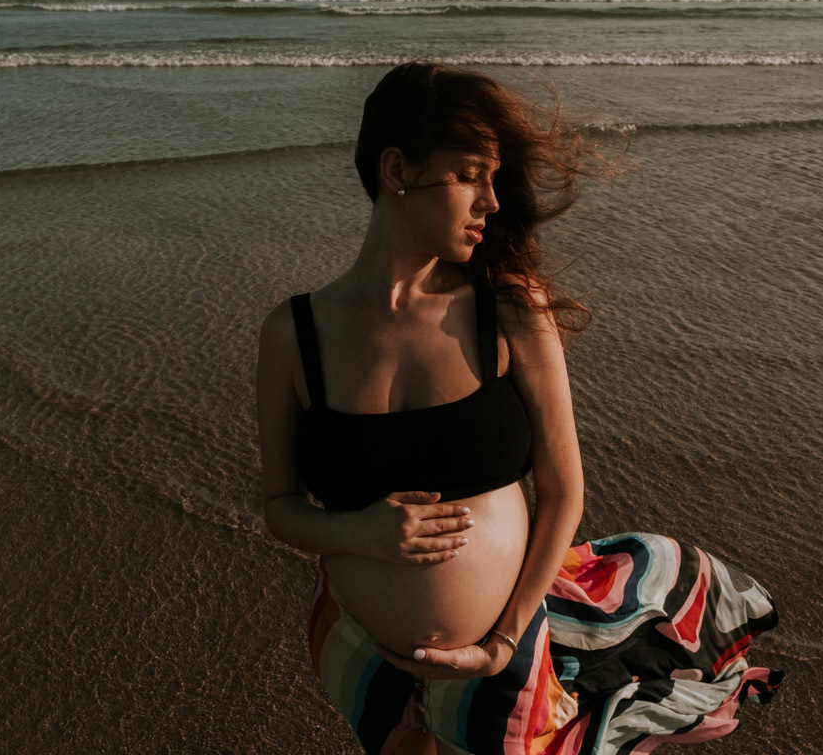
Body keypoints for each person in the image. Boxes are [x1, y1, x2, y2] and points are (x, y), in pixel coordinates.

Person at [256, 62, 781, 755]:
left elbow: (563, 492)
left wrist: (500, 643)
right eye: (470, 174)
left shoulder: (508, 309)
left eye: (494, 178)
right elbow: (279, 506)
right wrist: (359, 533)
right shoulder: (294, 334)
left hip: (506, 659)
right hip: (361, 652)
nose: (492, 201)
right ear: (396, 169)